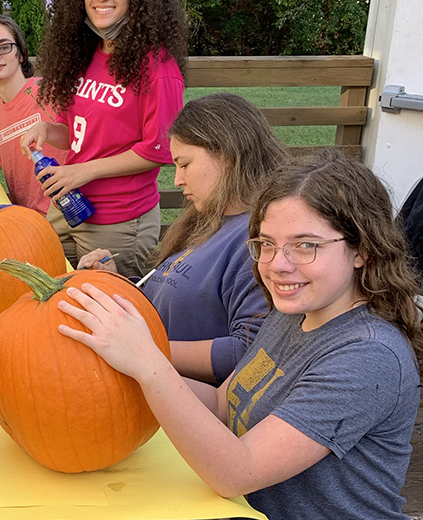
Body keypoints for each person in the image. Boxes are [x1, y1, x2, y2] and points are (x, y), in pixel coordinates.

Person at [58, 150, 423, 520]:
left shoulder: (367, 356)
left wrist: (149, 362)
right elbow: (222, 404)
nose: (278, 265)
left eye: (305, 245)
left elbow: (236, 472)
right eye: (266, 244)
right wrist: (115, 373)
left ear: (361, 249)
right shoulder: (293, 313)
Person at [83, 93, 286, 384]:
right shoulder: (206, 222)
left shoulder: (256, 240)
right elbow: (173, 304)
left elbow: (249, 350)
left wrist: (145, 351)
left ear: (226, 154)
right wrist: (117, 284)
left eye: (185, 164)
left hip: (194, 401)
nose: (177, 180)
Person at [20, 0, 189, 277]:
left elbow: (160, 148)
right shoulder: (87, 54)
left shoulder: (157, 66)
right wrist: (46, 130)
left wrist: (84, 171)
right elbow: (75, 134)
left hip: (120, 221)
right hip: (70, 206)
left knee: (102, 315)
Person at [0, 14, 64, 214]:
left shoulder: (50, 91)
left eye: (4, 47)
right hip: (25, 221)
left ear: (21, 53)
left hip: (69, 212)